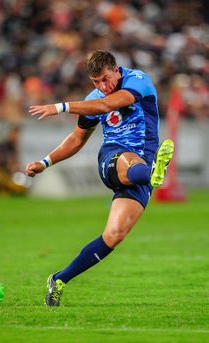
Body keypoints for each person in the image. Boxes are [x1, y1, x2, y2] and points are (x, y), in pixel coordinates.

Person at [26, 50, 174, 306]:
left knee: (114, 235)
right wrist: (45, 162)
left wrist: (60, 107)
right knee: (131, 163)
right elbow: (76, 139)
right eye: (96, 82)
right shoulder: (93, 100)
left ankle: (59, 279)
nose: (103, 87)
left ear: (117, 70)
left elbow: (109, 105)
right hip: (113, 158)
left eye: (106, 79)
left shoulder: (138, 80)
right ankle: (151, 173)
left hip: (139, 172)